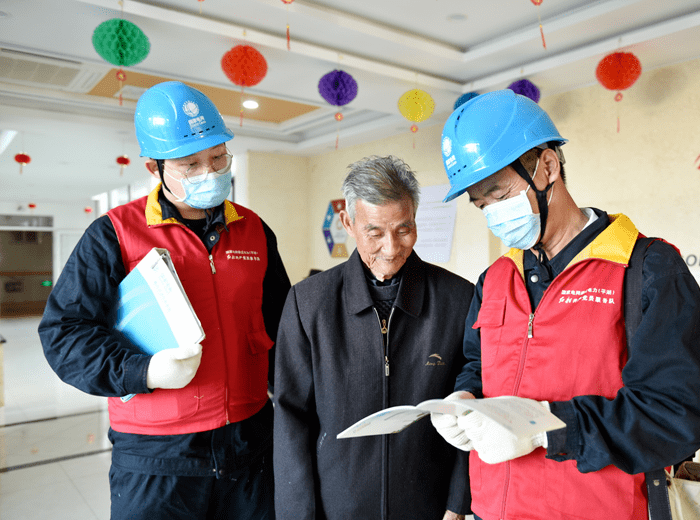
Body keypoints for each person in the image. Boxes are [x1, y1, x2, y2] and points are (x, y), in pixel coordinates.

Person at [430, 89, 700, 520]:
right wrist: (464, 396)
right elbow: (479, 363)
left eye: (499, 194)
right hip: (494, 508)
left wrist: (546, 429)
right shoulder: (495, 279)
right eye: (481, 205)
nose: (493, 215)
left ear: (547, 166)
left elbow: (678, 414)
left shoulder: (646, 269)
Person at [38, 81, 291, 520]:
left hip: (250, 441)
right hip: (156, 455)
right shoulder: (114, 234)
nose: (210, 172)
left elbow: (284, 325)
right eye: (190, 164)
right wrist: (144, 370)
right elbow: (64, 334)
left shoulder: (253, 230)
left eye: (218, 157)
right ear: (153, 168)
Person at [272, 155, 474, 520]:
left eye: (403, 230)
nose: (392, 248)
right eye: (375, 233)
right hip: (337, 507)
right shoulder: (308, 303)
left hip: (429, 506)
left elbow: (470, 404)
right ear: (348, 223)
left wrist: (458, 503)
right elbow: (291, 419)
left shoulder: (458, 299)